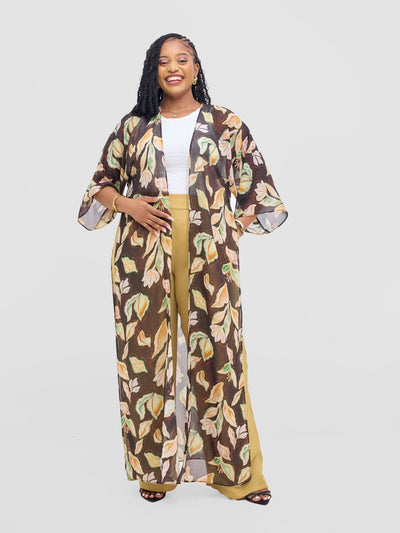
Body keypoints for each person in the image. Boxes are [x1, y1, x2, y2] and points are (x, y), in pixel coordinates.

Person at [77, 32, 288, 506]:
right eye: (163, 61)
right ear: (153, 72)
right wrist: (130, 205)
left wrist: (232, 226)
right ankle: (156, 473)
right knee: (147, 358)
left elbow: (259, 190)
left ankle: (239, 476)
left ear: (196, 68)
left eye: (183, 59)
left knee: (221, 355)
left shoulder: (225, 123)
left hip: (209, 250)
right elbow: (100, 187)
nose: (173, 67)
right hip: (141, 251)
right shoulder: (134, 126)